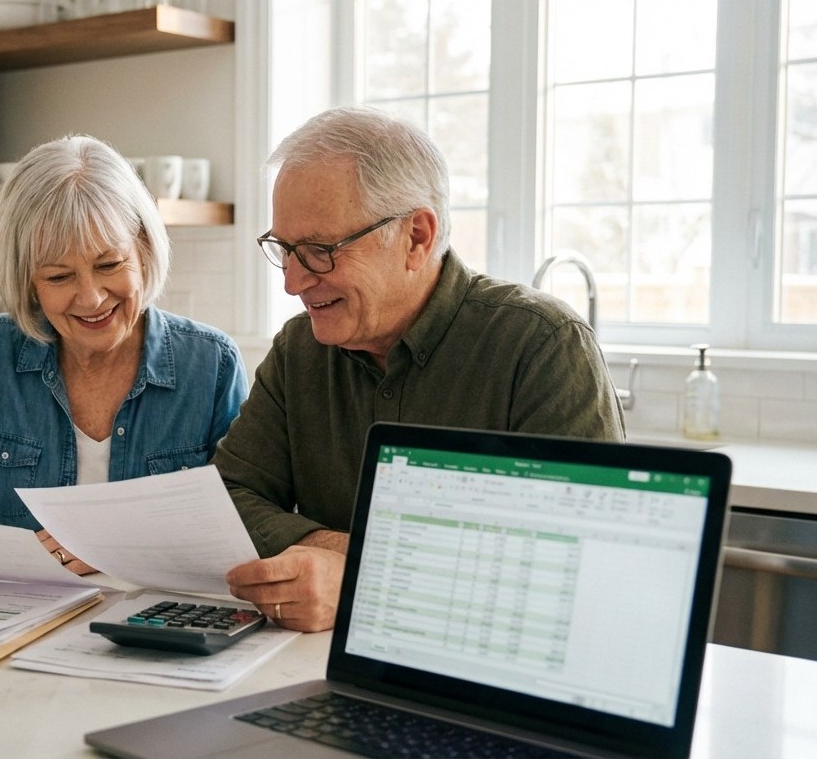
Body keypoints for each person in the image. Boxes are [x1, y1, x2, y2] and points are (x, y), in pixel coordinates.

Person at [215, 107, 625, 632]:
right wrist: (340, 551)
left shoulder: (542, 345)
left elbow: (582, 564)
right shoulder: (300, 350)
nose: (293, 283)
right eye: (285, 250)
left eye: (320, 251)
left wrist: (369, 578)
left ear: (416, 237)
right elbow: (230, 498)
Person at [0, 134, 249, 593]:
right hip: (19, 621)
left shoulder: (210, 363)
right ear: (28, 281)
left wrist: (108, 542)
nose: (91, 298)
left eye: (109, 265)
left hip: (159, 618)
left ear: (143, 250)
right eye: (59, 276)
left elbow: (246, 518)